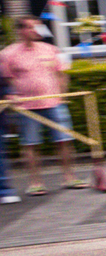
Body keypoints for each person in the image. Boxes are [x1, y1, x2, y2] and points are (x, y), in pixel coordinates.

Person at [0, 16, 81, 194]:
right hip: (26, 107)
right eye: (31, 27)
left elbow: (61, 73)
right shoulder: (8, 54)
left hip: (55, 103)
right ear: (21, 31)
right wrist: (13, 97)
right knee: (30, 144)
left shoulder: (50, 49)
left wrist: (62, 96)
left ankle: (69, 178)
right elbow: (6, 80)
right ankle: (35, 183)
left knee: (64, 141)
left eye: (38, 27)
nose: (36, 30)